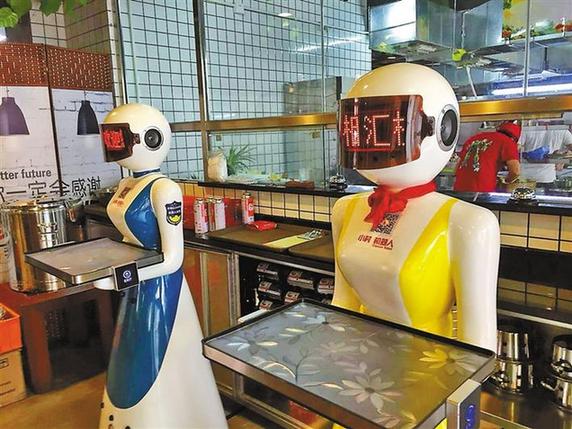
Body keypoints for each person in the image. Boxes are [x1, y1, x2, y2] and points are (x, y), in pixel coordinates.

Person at [94, 104, 227, 429]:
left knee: (156, 359)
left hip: (163, 291)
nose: (114, 146)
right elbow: (128, 241)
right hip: (137, 289)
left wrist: (123, 275)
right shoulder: (126, 185)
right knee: (132, 356)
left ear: (151, 138)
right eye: (110, 139)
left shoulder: (164, 189)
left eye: (119, 138)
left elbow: (173, 258)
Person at [454, 121, 521, 192]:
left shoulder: (474, 138)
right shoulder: (508, 142)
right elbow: (515, 172)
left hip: (459, 187)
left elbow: (457, 167)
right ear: (514, 139)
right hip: (481, 189)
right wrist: (505, 181)